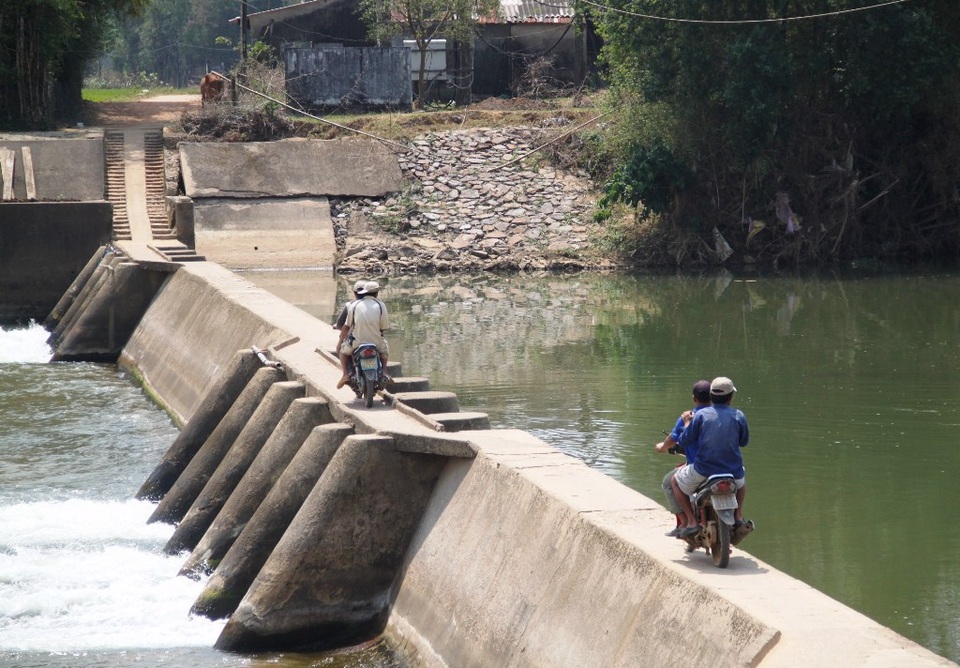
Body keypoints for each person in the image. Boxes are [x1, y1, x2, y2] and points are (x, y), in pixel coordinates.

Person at [671, 376, 749, 538]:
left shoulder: (700, 416)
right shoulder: (739, 415)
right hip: (733, 471)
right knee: (741, 484)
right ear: (730, 397)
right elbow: (744, 441)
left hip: (703, 470)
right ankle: (738, 516)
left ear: (712, 396)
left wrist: (686, 423)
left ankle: (692, 522)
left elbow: (685, 440)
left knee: (674, 482)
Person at [655, 380, 712, 537]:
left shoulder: (689, 417)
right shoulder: (721, 415)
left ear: (694, 398)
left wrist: (662, 447)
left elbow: (674, 438)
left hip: (699, 467)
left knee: (669, 482)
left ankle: (686, 522)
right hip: (724, 466)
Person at [337, 280, 389, 389]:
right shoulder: (381, 305)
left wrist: (340, 341)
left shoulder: (355, 305)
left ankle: (345, 374)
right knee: (384, 352)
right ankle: (384, 372)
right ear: (376, 293)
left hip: (357, 342)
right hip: (376, 342)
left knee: (343, 352)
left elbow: (346, 326)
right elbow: (383, 328)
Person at [334, 279, 366, 354]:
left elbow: (342, 326)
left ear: (354, 293)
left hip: (355, 341)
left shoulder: (350, 305)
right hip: (373, 341)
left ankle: (343, 366)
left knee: (342, 353)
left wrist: (340, 342)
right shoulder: (376, 305)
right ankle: (383, 366)